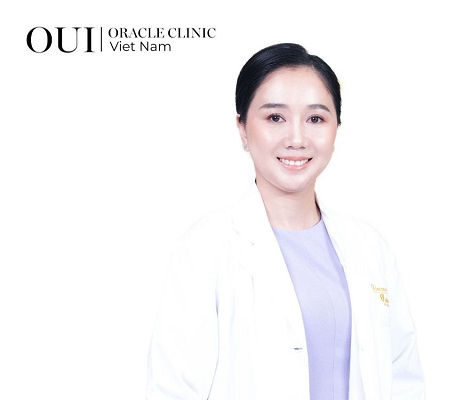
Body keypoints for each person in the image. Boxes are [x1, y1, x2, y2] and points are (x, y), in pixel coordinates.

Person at [146, 43, 424, 399]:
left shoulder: (370, 248)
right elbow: (173, 389)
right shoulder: (206, 248)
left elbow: (403, 378)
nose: (296, 139)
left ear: (336, 128)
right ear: (242, 128)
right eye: (275, 118)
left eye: (316, 119)